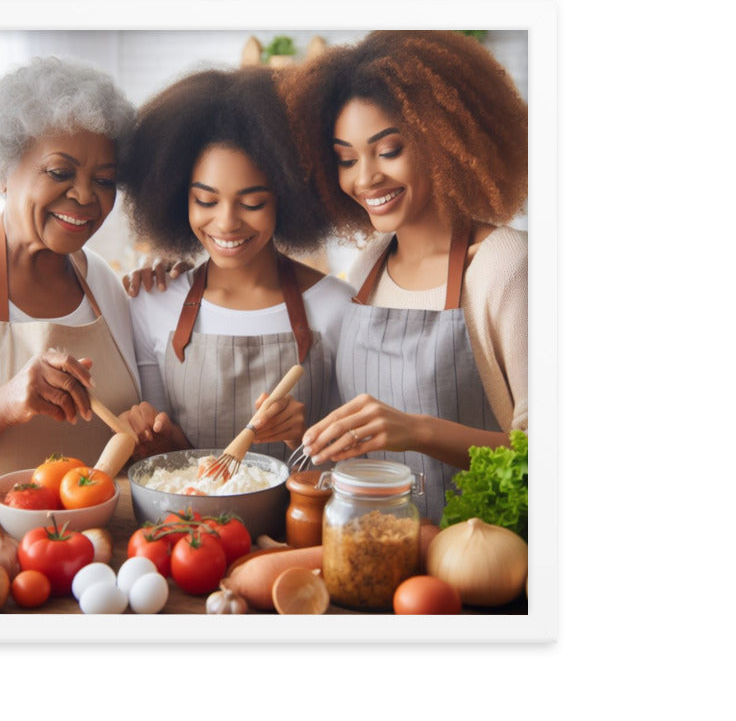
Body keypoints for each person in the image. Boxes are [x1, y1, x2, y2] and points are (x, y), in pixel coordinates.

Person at [283, 31, 528, 523]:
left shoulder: (505, 265)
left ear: (446, 140)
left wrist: (418, 431)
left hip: (479, 563)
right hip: (376, 548)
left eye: (388, 149)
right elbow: (364, 434)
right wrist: (299, 431)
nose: (364, 178)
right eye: (346, 159)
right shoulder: (369, 264)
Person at [115, 65, 354, 462]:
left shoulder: (338, 306)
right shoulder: (153, 302)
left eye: (253, 203)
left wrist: (302, 437)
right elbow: (166, 459)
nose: (226, 223)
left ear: (289, 199)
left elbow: (356, 464)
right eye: (206, 201)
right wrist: (154, 435)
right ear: (177, 199)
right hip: (190, 522)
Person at [0, 56, 141, 472]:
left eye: (105, 180)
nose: (86, 196)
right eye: (59, 171)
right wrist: (3, 402)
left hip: (102, 536)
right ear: (3, 170)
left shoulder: (104, 283)